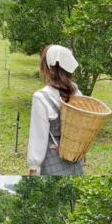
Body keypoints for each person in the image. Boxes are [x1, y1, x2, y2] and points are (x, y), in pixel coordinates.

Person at [27, 45, 84, 175]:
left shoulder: (41, 97)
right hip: (75, 156)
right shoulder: (76, 91)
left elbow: (38, 137)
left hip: (54, 160)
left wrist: (33, 167)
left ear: (47, 67)